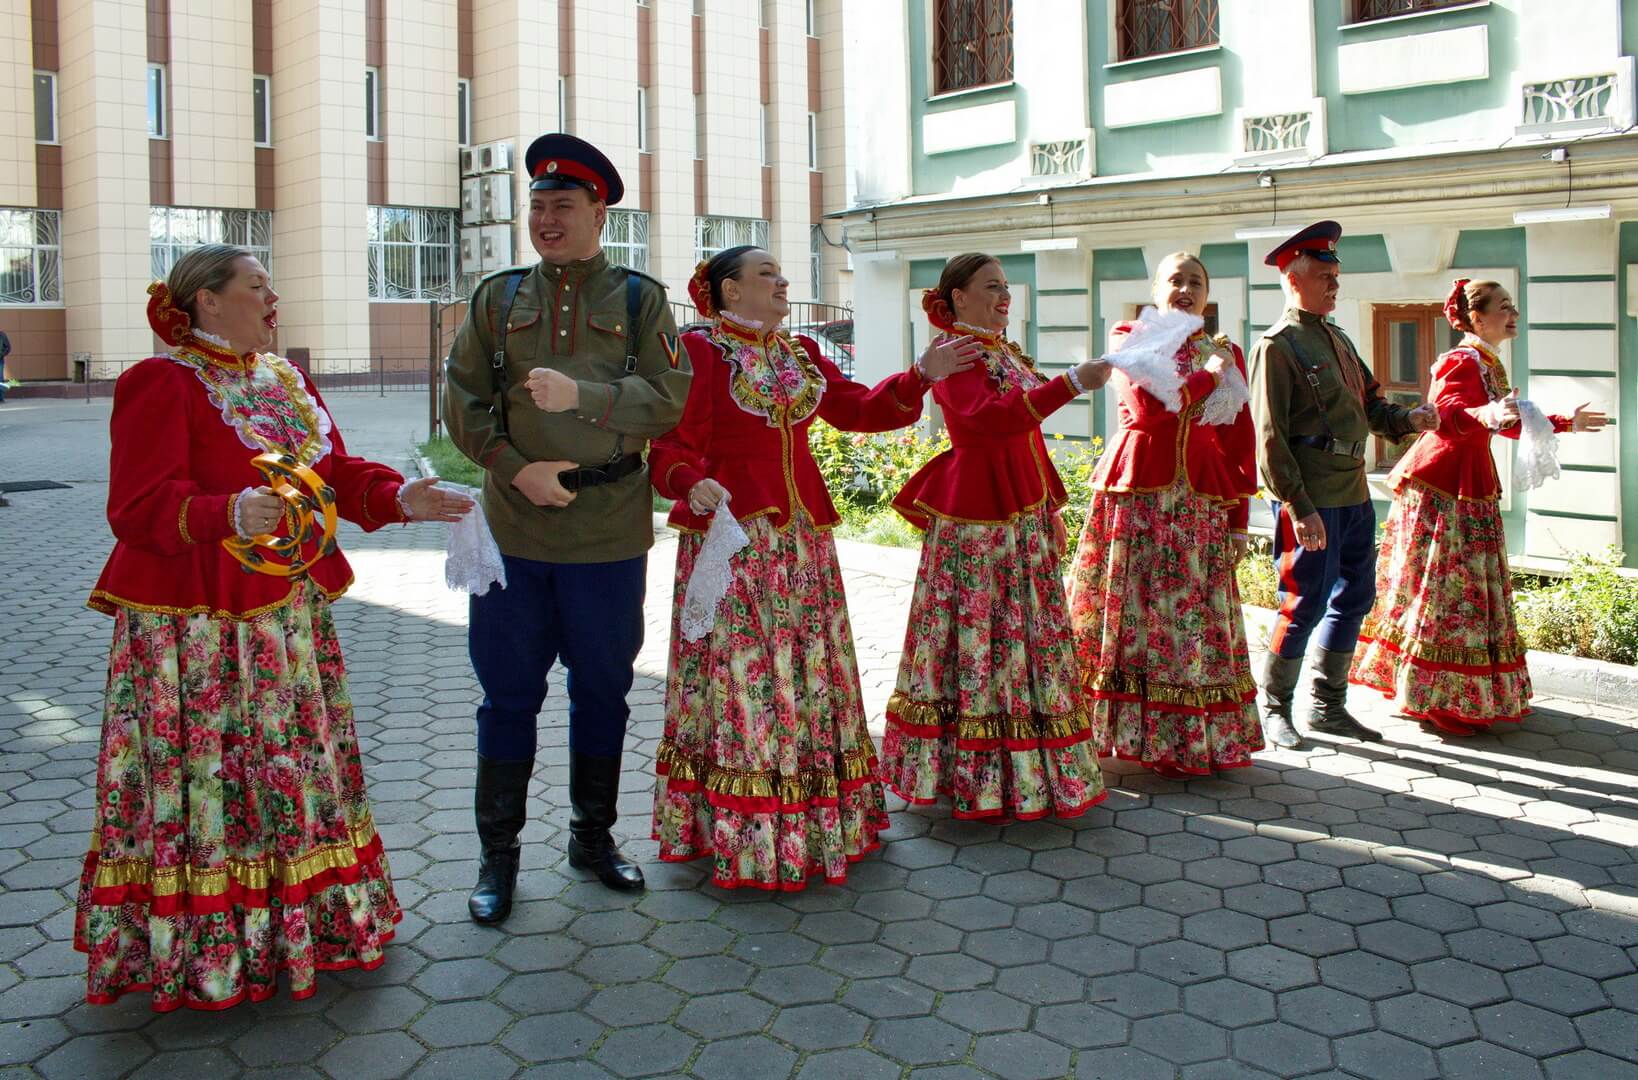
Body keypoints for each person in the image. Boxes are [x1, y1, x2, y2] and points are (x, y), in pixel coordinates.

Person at [75, 244, 473, 1011]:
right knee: (206, 774)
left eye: (270, 284)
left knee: (287, 765)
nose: (272, 297)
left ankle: (298, 922)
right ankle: (206, 941)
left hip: (282, 617)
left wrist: (398, 498)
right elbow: (134, 505)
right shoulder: (161, 381)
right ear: (205, 302)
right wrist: (218, 512)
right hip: (193, 628)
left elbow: (334, 476)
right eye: (256, 285)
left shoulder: (282, 380)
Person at [647, 247, 980, 889]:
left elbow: (856, 408)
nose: (782, 282)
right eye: (767, 274)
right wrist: (688, 481)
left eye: (781, 275)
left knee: (807, 666)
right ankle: (750, 828)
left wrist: (921, 374)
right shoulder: (700, 352)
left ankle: (813, 814)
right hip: (735, 538)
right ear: (727, 290)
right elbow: (669, 442)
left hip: (801, 538)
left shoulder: (797, 352)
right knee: (744, 673)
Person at [443, 133, 691, 922]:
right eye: (537, 207)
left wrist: (582, 397)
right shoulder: (497, 297)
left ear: (598, 213)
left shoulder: (638, 299)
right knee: (507, 695)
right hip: (514, 528)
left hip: (610, 529)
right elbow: (462, 403)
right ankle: (498, 859)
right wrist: (518, 468)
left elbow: (669, 397)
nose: (546, 220)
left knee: (604, 690)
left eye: (563, 207)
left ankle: (593, 840)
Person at [879, 253, 1113, 820]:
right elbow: (986, 422)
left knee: (1019, 635)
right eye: (991, 287)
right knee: (982, 635)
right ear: (958, 297)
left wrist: (1050, 504)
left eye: (1007, 287)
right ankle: (980, 773)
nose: (1005, 296)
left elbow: (1025, 439)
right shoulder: (956, 351)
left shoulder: (999, 348)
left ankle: (1022, 768)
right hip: (978, 518)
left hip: (1019, 511)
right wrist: (1072, 383)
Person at [1351, 279, 1607, 736]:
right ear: (1474, 317)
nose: (1513, 314)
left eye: (1513, 306)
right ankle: (1433, 697)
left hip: (1470, 485)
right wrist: (1485, 415)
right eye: (1503, 307)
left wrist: (1566, 422)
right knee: (1443, 592)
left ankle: (1447, 694)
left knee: (1461, 593)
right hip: (1442, 487)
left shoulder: (1490, 363)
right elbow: (1445, 416)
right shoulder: (1459, 360)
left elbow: (1508, 423)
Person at [1066, 252, 1262, 779]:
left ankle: (1185, 737)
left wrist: (1239, 518)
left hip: (1198, 502)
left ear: (1207, 295)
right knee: (1132, 613)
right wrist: (1208, 377)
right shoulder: (1134, 336)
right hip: (1138, 496)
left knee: (1189, 617)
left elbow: (1237, 440)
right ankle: (1119, 731)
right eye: (1175, 279)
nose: (1186, 288)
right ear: (1156, 289)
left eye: (1196, 281)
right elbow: (1155, 409)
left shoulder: (1224, 351)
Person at [1248, 221, 1440, 750]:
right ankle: (1274, 706)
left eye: (1336, 276)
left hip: (1353, 489)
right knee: (1303, 600)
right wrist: (1298, 505)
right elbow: (1269, 438)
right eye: (1324, 276)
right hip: (1312, 496)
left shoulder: (1336, 338)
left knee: (1354, 595)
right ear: (1293, 279)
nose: (1335, 285)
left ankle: (1327, 706)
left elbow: (1371, 403)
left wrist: (1409, 419)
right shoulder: (1278, 346)